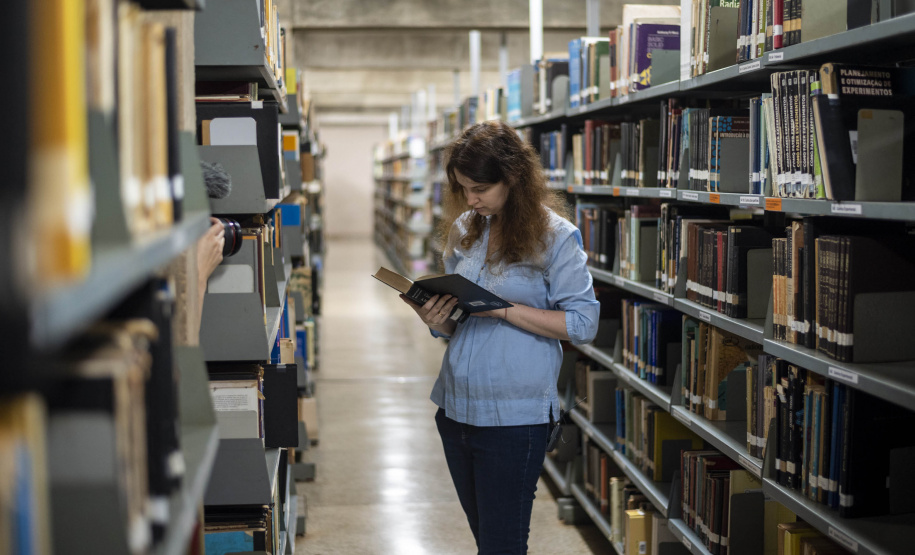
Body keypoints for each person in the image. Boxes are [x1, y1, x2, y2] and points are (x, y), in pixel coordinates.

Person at [401, 120, 600, 554]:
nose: (470, 200)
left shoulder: (556, 237)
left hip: (515, 419)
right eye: (462, 189)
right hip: (455, 409)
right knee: (486, 540)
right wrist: (434, 317)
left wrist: (504, 309)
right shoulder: (464, 230)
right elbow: (457, 326)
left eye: (480, 189)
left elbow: (583, 324)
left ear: (512, 177)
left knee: (503, 545)